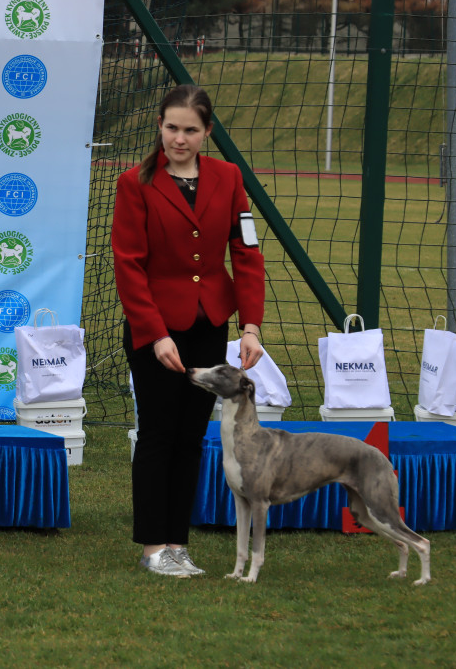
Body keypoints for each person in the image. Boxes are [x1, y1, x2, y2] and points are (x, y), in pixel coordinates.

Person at [111, 85, 265, 577]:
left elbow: (246, 252)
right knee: (158, 433)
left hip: (208, 325)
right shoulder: (134, 183)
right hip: (154, 329)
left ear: (207, 133)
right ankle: (154, 546)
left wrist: (251, 326)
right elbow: (129, 265)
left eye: (191, 130)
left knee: (192, 436)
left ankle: (179, 544)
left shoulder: (228, 177)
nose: (180, 138)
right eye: (172, 127)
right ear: (159, 125)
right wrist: (156, 334)